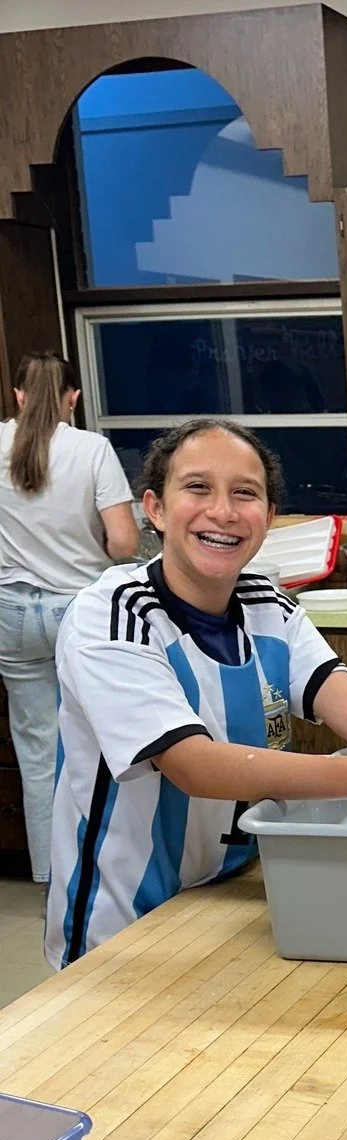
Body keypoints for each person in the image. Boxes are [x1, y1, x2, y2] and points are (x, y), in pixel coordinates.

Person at [46, 419, 347, 970]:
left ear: (268, 519)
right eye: (197, 488)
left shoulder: (268, 603)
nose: (222, 511)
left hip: (230, 893)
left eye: (244, 493)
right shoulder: (114, 616)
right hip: (125, 918)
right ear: (154, 508)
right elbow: (194, 765)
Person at [0, 352, 139, 890]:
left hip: (11, 614)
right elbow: (124, 542)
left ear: (17, 395)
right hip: (77, 612)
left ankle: (51, 881)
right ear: (73, 397)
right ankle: (102, 876)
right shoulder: (91, 448)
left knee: (37, 755)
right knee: (98, 747)